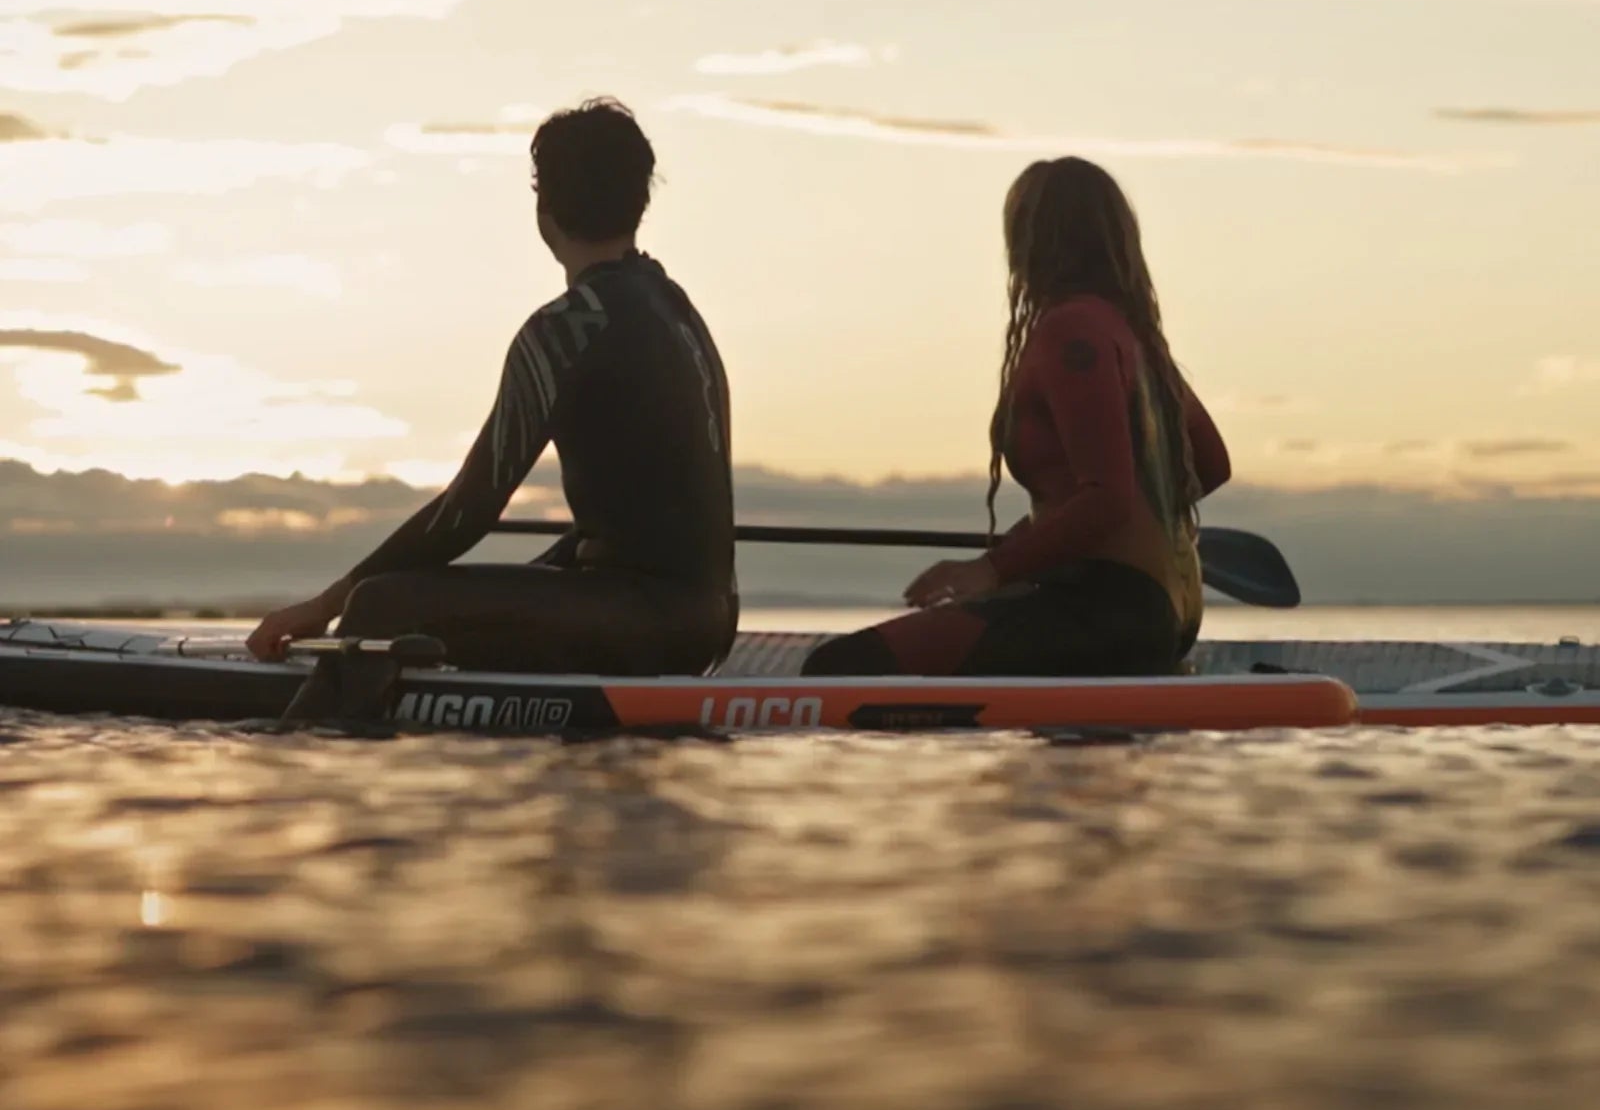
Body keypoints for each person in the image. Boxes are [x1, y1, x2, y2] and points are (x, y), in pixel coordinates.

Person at [247, 99, 736, 677]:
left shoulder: (565, 329)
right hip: (711, 622)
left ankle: (324, 737)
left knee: (380, 604)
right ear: (641, 201)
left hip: (642, 626)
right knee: (511, 584)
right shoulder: (677, 309)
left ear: (544, 205)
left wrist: (326, 605)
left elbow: (467, 510)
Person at [805, 156, 1229, 679]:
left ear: (1034, 238)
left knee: (839, 668)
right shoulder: (1135, 339)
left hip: (1104, 609)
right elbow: (1210, 465)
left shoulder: (1072, 333)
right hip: (1167, 611)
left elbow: (1109, 497)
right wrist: (1052, 535)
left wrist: (992, 568)